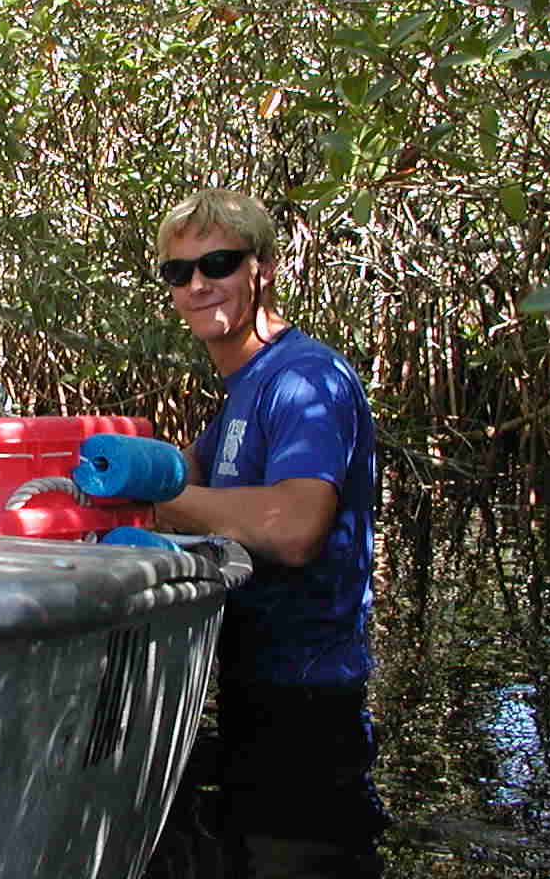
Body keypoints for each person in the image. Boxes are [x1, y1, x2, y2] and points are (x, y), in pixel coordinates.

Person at [151, 189, 387, 879]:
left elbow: (294, 528)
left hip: (309, 705)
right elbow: (191, 473)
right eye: (179, 272)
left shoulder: (304, 379)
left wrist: (162, 495)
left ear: (264, 270)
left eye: (219, 264)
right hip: (255, 690)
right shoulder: (245, 394)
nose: (198, 284)